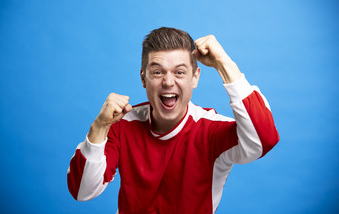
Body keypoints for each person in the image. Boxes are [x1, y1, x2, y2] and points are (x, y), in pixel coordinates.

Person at [67, 27, 279, 213]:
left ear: (195, 77)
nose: (168, 82)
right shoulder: (121, 124)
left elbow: (263, 140)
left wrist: (224, 63)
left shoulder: (211, 130)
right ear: (143, 78)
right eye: (157, 72)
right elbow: (82, 190)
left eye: (179, 72)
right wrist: (99, 127)